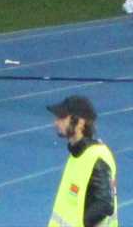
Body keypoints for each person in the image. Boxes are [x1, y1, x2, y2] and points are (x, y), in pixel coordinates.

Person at [45, 94, 115, 226]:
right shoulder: (77, 154)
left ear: (80, 123)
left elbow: (104, 204)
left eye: (62, 118)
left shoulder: (96, 157)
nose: (56, 122)